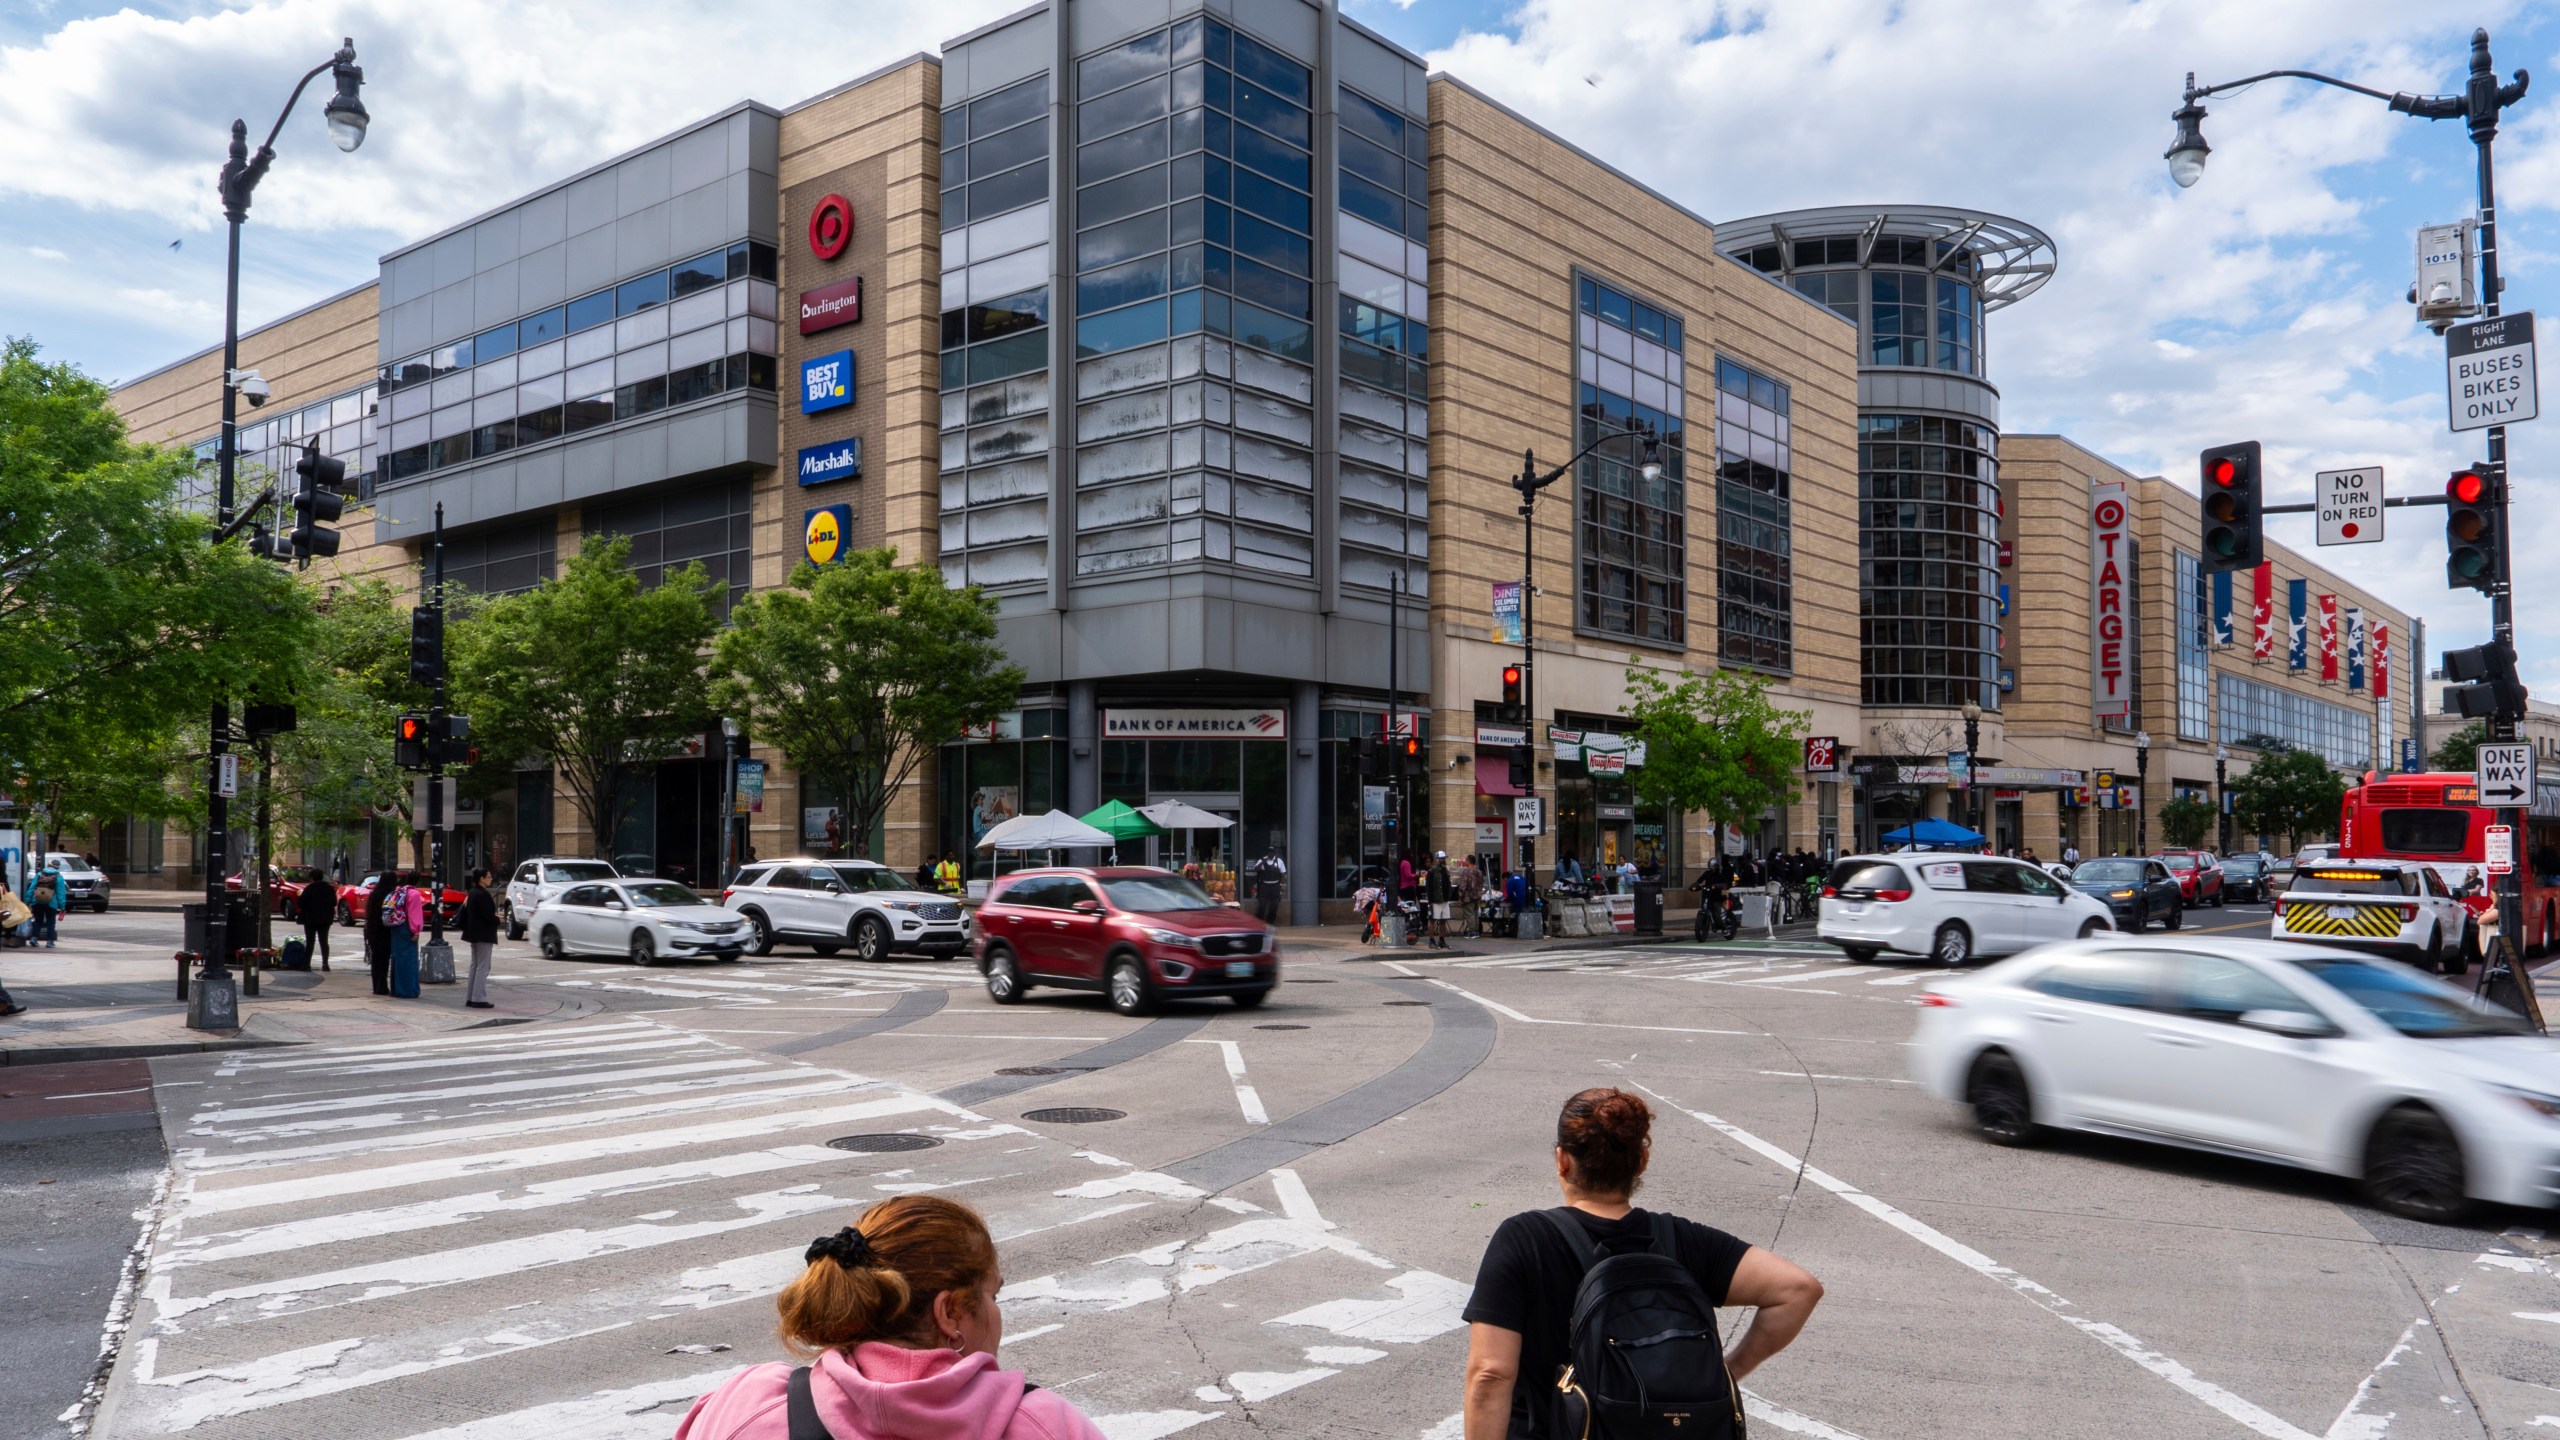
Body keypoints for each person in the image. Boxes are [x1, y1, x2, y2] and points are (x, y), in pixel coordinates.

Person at [1461, 1088, 1823, 1440]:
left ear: (1563, 1160)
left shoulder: (1525, 1238)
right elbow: (1797, 1289)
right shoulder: (1678, 1239)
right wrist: (1727, 1372)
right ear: (1641, 1161)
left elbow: (1490, 1374)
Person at [675, 1194, 1108, 1440]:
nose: (996, 1312)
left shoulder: (743, 1409)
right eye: (993, 1293)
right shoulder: (1046, 1427)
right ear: (951, 1312)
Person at [460, 868, 501, 1009]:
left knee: (475, 965)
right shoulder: (482, 894)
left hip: (473, 933)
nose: (491, 879)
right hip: (484, 934)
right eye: (488, 877)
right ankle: (479, 998)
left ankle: (471, 997)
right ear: (481, 878)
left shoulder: (472, 893)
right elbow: (488, 916)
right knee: (483, 966)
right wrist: (497, 920)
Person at [388, 873, 424, 999]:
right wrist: (416, 930)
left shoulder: (399, 891)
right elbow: (414, 914)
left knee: (397, 958)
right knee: (409, 959)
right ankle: (408, 990)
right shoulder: (414, 894)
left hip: (396, 927)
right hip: (407, 928)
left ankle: (396, 988)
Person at [297, 867, 338, 972]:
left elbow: (301, 903)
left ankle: (306, 964)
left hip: (310, 919)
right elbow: (334, 902)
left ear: (312, 878)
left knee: (310, 942)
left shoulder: (309, 889)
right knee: (324, 941)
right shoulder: (329, 888)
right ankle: (325, 964)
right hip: (325, 919)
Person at [363, 875, 396, 995]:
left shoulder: (374, 895)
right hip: (385, 931)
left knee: (376, 959)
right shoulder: (390, 897)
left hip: (372, 930)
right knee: (384, 960)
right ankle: (382, 986)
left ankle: (376, 986)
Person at [23, 860, 67, 948]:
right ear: (57, 868)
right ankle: (50, 941)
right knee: (51, 922)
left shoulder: (39, 874)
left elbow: (32, 888)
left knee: (37, 920)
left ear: (48, 865)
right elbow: (60, 893)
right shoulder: (59, 877)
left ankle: (34, 938)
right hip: (51, 903)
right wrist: (62, 906)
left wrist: (27, 901)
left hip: (37, 901)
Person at [1425, 851, 1454, 949]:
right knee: (1432, 919)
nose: (1443, 860)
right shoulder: (1432, 871)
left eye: (1444, 858)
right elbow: (1428, 887)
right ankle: (1431, 940)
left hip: (1444, 899)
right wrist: (1430, 901)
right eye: (1441, 858)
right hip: (1436, 899)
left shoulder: (1445, 870)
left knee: (1443, 920)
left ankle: (1442, 940)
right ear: (1437, 859)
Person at [1250, 848, 1286, 925]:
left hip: (1275, 885)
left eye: (1273, 853)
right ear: (1268, 853)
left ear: (1275, 853)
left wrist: (1280, 884)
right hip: (1264, 885)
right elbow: (1255, 869)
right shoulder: (1262, 860)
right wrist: (1262, 862)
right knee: (1262, 904)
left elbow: (1283, 873)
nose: (1271, 854)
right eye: (1270, 852)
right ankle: (1259, 920)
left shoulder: (1279, 861)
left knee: (1274, 905)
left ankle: (1271, 921)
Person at [1455, 855, 1486, 938]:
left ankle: (1471, 931)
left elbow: (1463, 886)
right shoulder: (1479, 872)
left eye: (1466, 860)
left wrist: (1461, 897)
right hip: (1477, 896)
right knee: (1475, 914)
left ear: (1468, 861)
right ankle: (1476, 931)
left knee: (1469, 914)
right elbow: (1482, 883)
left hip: (1468, 897)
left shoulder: (1466, 872)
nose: (1465, 861)